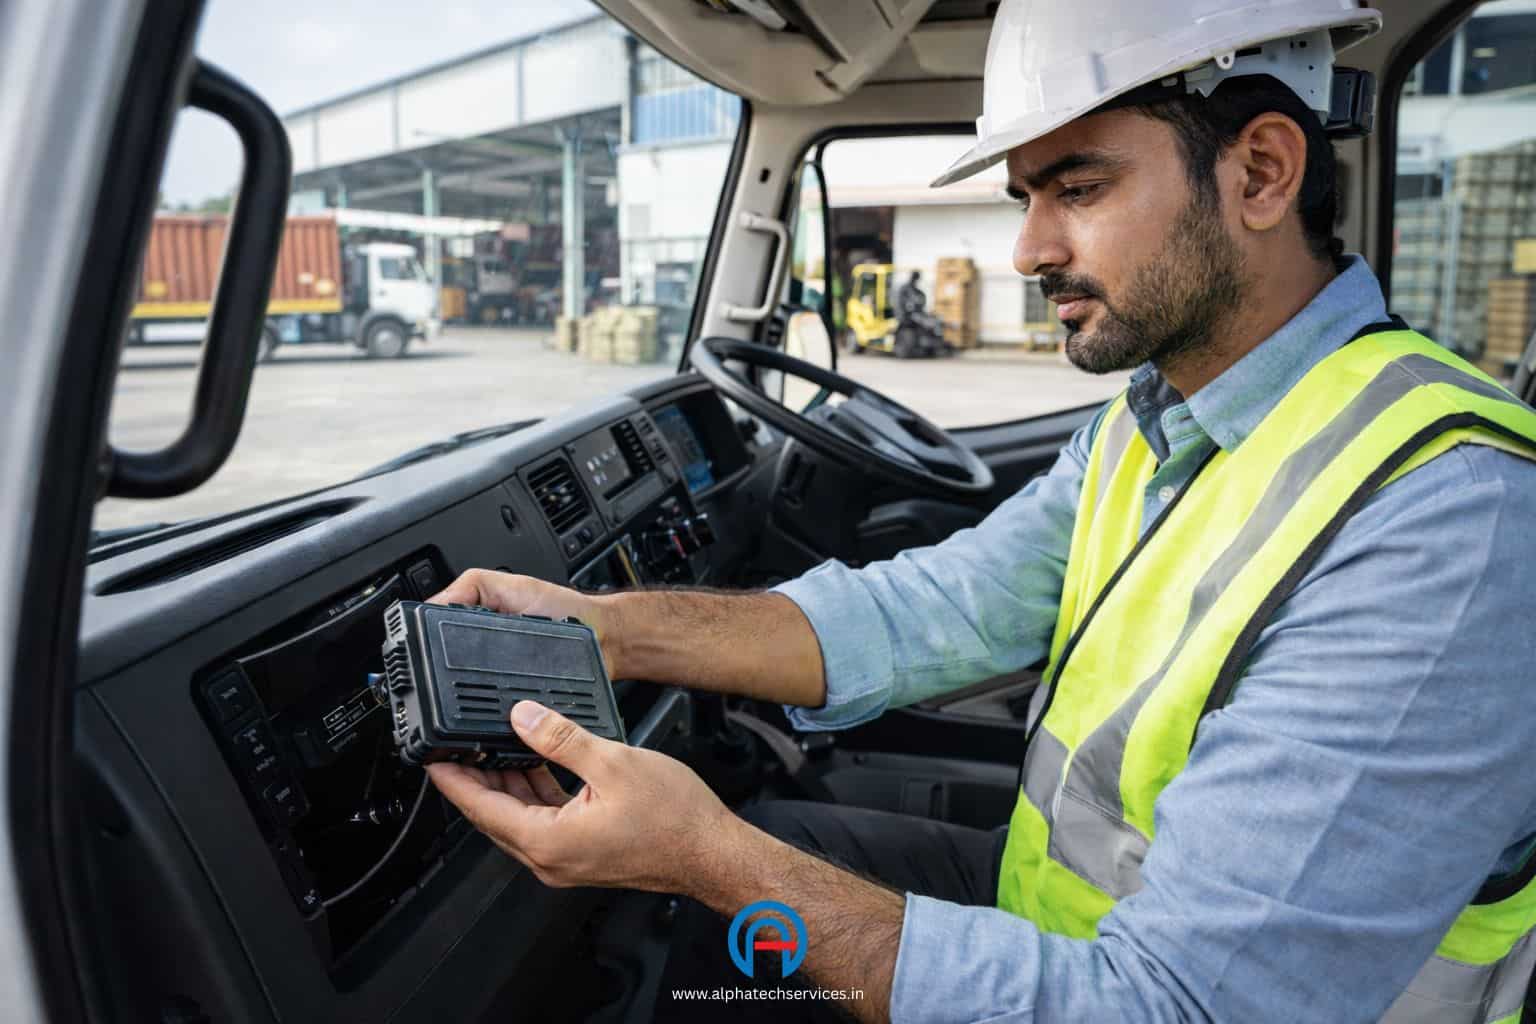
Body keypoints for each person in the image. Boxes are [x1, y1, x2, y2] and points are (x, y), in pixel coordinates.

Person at [424, 1, 1536, 1020]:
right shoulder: (1156, 422)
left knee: (730, 881)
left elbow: (1183, 1007)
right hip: (1075, 917)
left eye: (1081, 188)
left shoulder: (1448, 522)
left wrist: (702, 852)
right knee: (748, 883)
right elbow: (933, 609)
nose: (1028, 249)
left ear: (1259, 173)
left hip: (1143, 989)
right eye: (1027, 197)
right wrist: (605, 629)